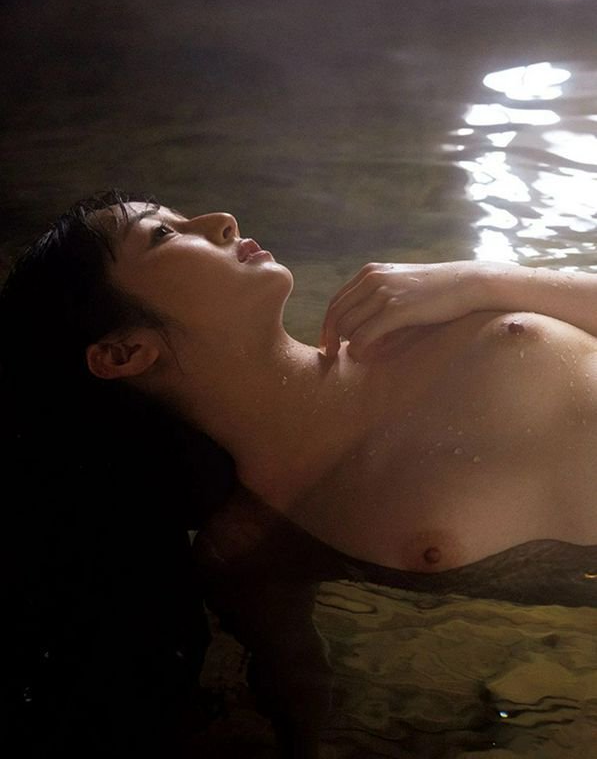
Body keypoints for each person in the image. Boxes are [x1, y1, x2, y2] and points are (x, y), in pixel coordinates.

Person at [3, 188, 597, 755]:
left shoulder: (415, 309)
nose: (221, 221)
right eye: (163, 234)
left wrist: (487, 278)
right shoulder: (253, 545)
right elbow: (302, 703)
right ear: (123, 353)